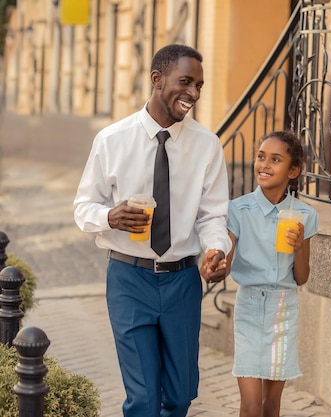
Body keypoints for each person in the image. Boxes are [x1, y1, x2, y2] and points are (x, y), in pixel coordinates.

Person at [73, 44, 231, 417]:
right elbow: (83, 207)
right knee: (143, 400)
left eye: (199, 86)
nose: (193, 93)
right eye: (185, 82)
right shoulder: (112, 140)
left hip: (181, 281)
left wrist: (214, 251)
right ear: (157, 80)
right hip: (129, 278)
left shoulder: (207, 146)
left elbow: (212, 217)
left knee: (179, 396)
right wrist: (110, 217)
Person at [223, 131, 318, 417]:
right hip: (249, 307)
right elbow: (225, 261)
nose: (264, 164)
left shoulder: (305, 215)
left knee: (270, 406)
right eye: (261, 156)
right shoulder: (238, 210)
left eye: (275, 159)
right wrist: (215, 260)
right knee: (251, 407)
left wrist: (299, 246)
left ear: (293, 170)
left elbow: (301, 277)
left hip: (283, 309)